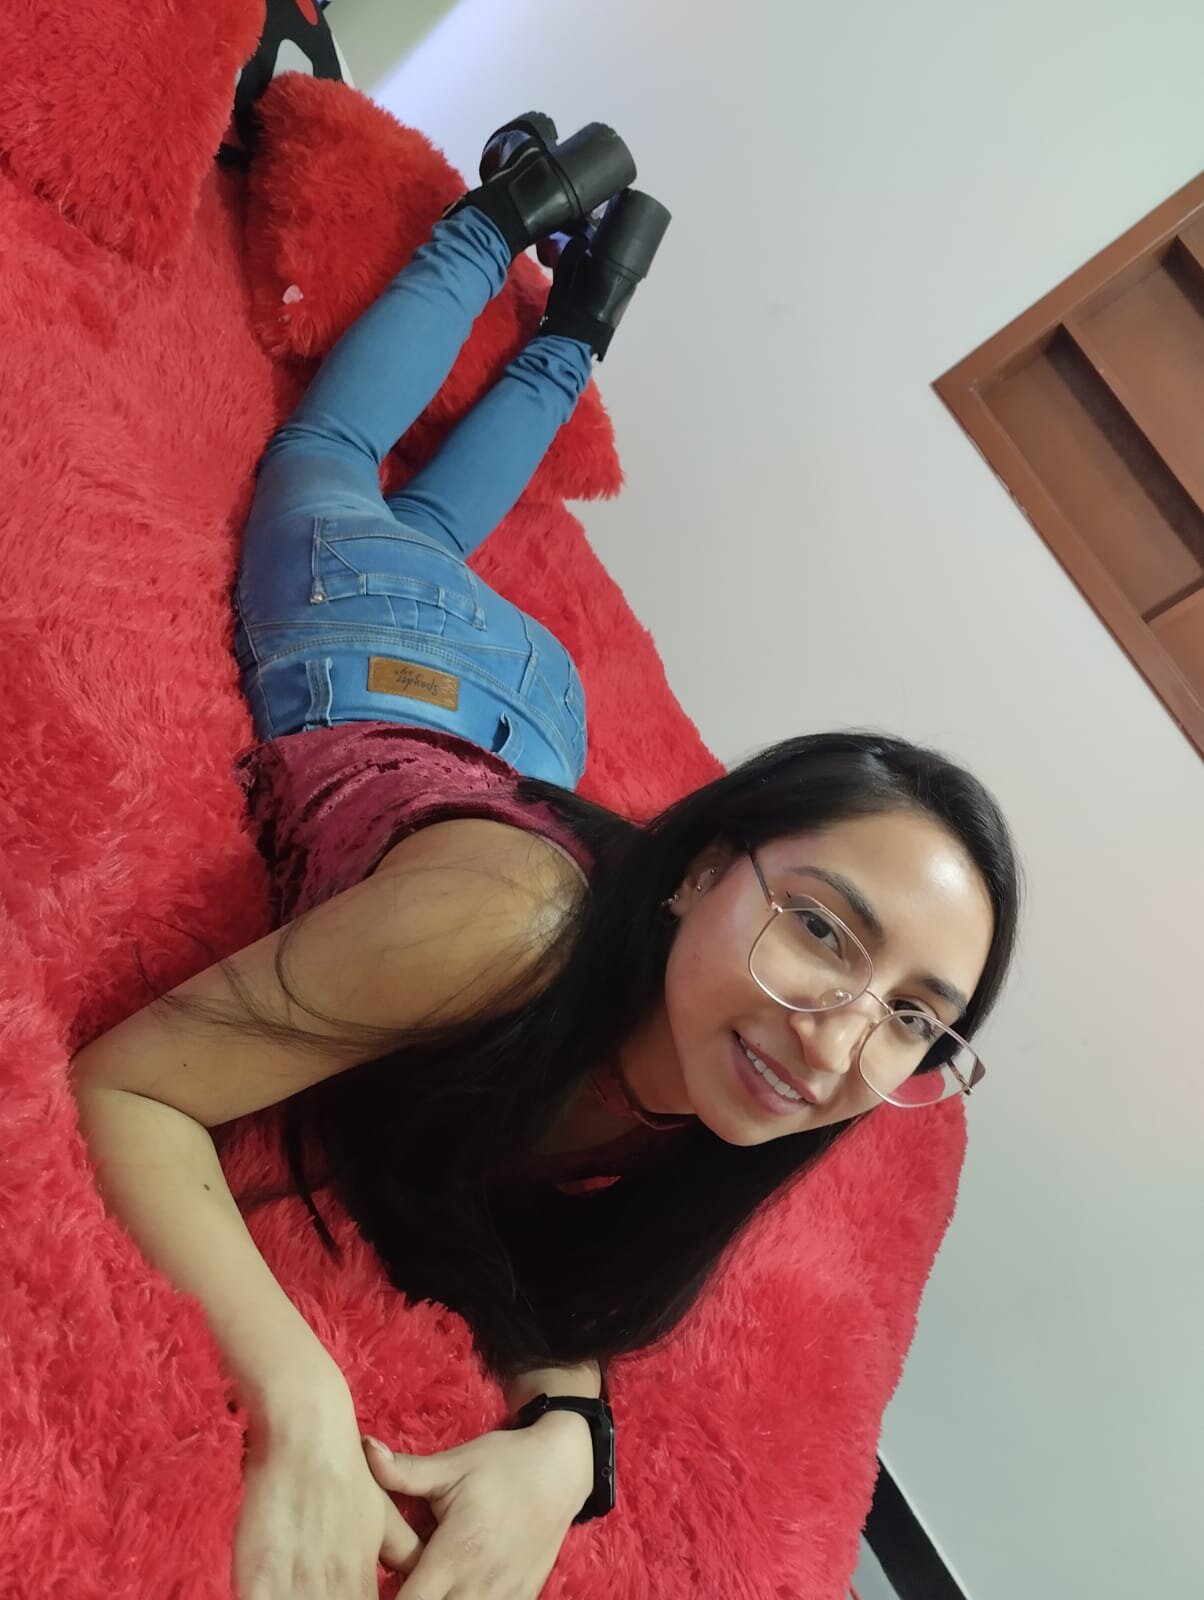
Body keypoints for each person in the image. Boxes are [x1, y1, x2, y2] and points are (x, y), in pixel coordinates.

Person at [69, 112, 1021, 1600]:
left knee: (429, 521)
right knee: (325, 454)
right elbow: (130, 1084)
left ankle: (582, 306)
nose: (840, 1042)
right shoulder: (510, 924)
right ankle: (496, 223)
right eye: (827, 931)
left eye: (913, 1016)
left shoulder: (718, 1088)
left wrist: (570, 1446)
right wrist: (300, 1398)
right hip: (383, 663)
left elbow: (531, 1242)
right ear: (702, 866)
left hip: (529, 717)